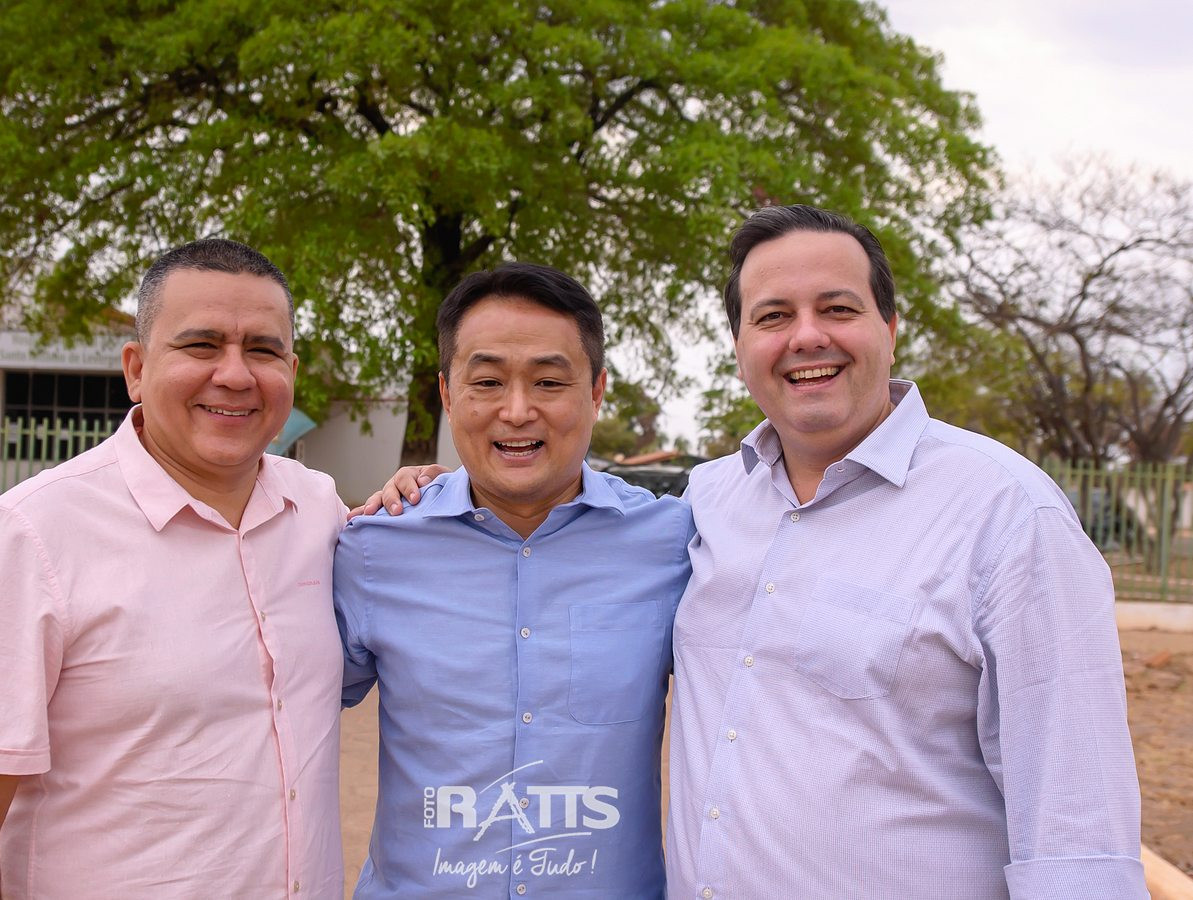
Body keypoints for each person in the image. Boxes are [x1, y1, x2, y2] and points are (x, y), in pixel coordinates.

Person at [667, 204, 1146, 898]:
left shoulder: (1008, 514)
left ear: (889, 329)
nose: (807, 336)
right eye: (772, 316)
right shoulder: (705, 503)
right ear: (739, 345)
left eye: (837, 308)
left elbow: (1077, 831)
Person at [0, 239, 346, 898]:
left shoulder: (318, 510)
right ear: (136, 369)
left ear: (291, 369)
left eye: (262, 350)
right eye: (201, 345)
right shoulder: (31, 536)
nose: (235, 374)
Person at [334, 262, 693, 897]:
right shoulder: (372, 548)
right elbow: (275, 713)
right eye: (487, 382)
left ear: (597, 391)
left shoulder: (673, 544)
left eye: (549, 381)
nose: (518, 411)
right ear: (447, 395)